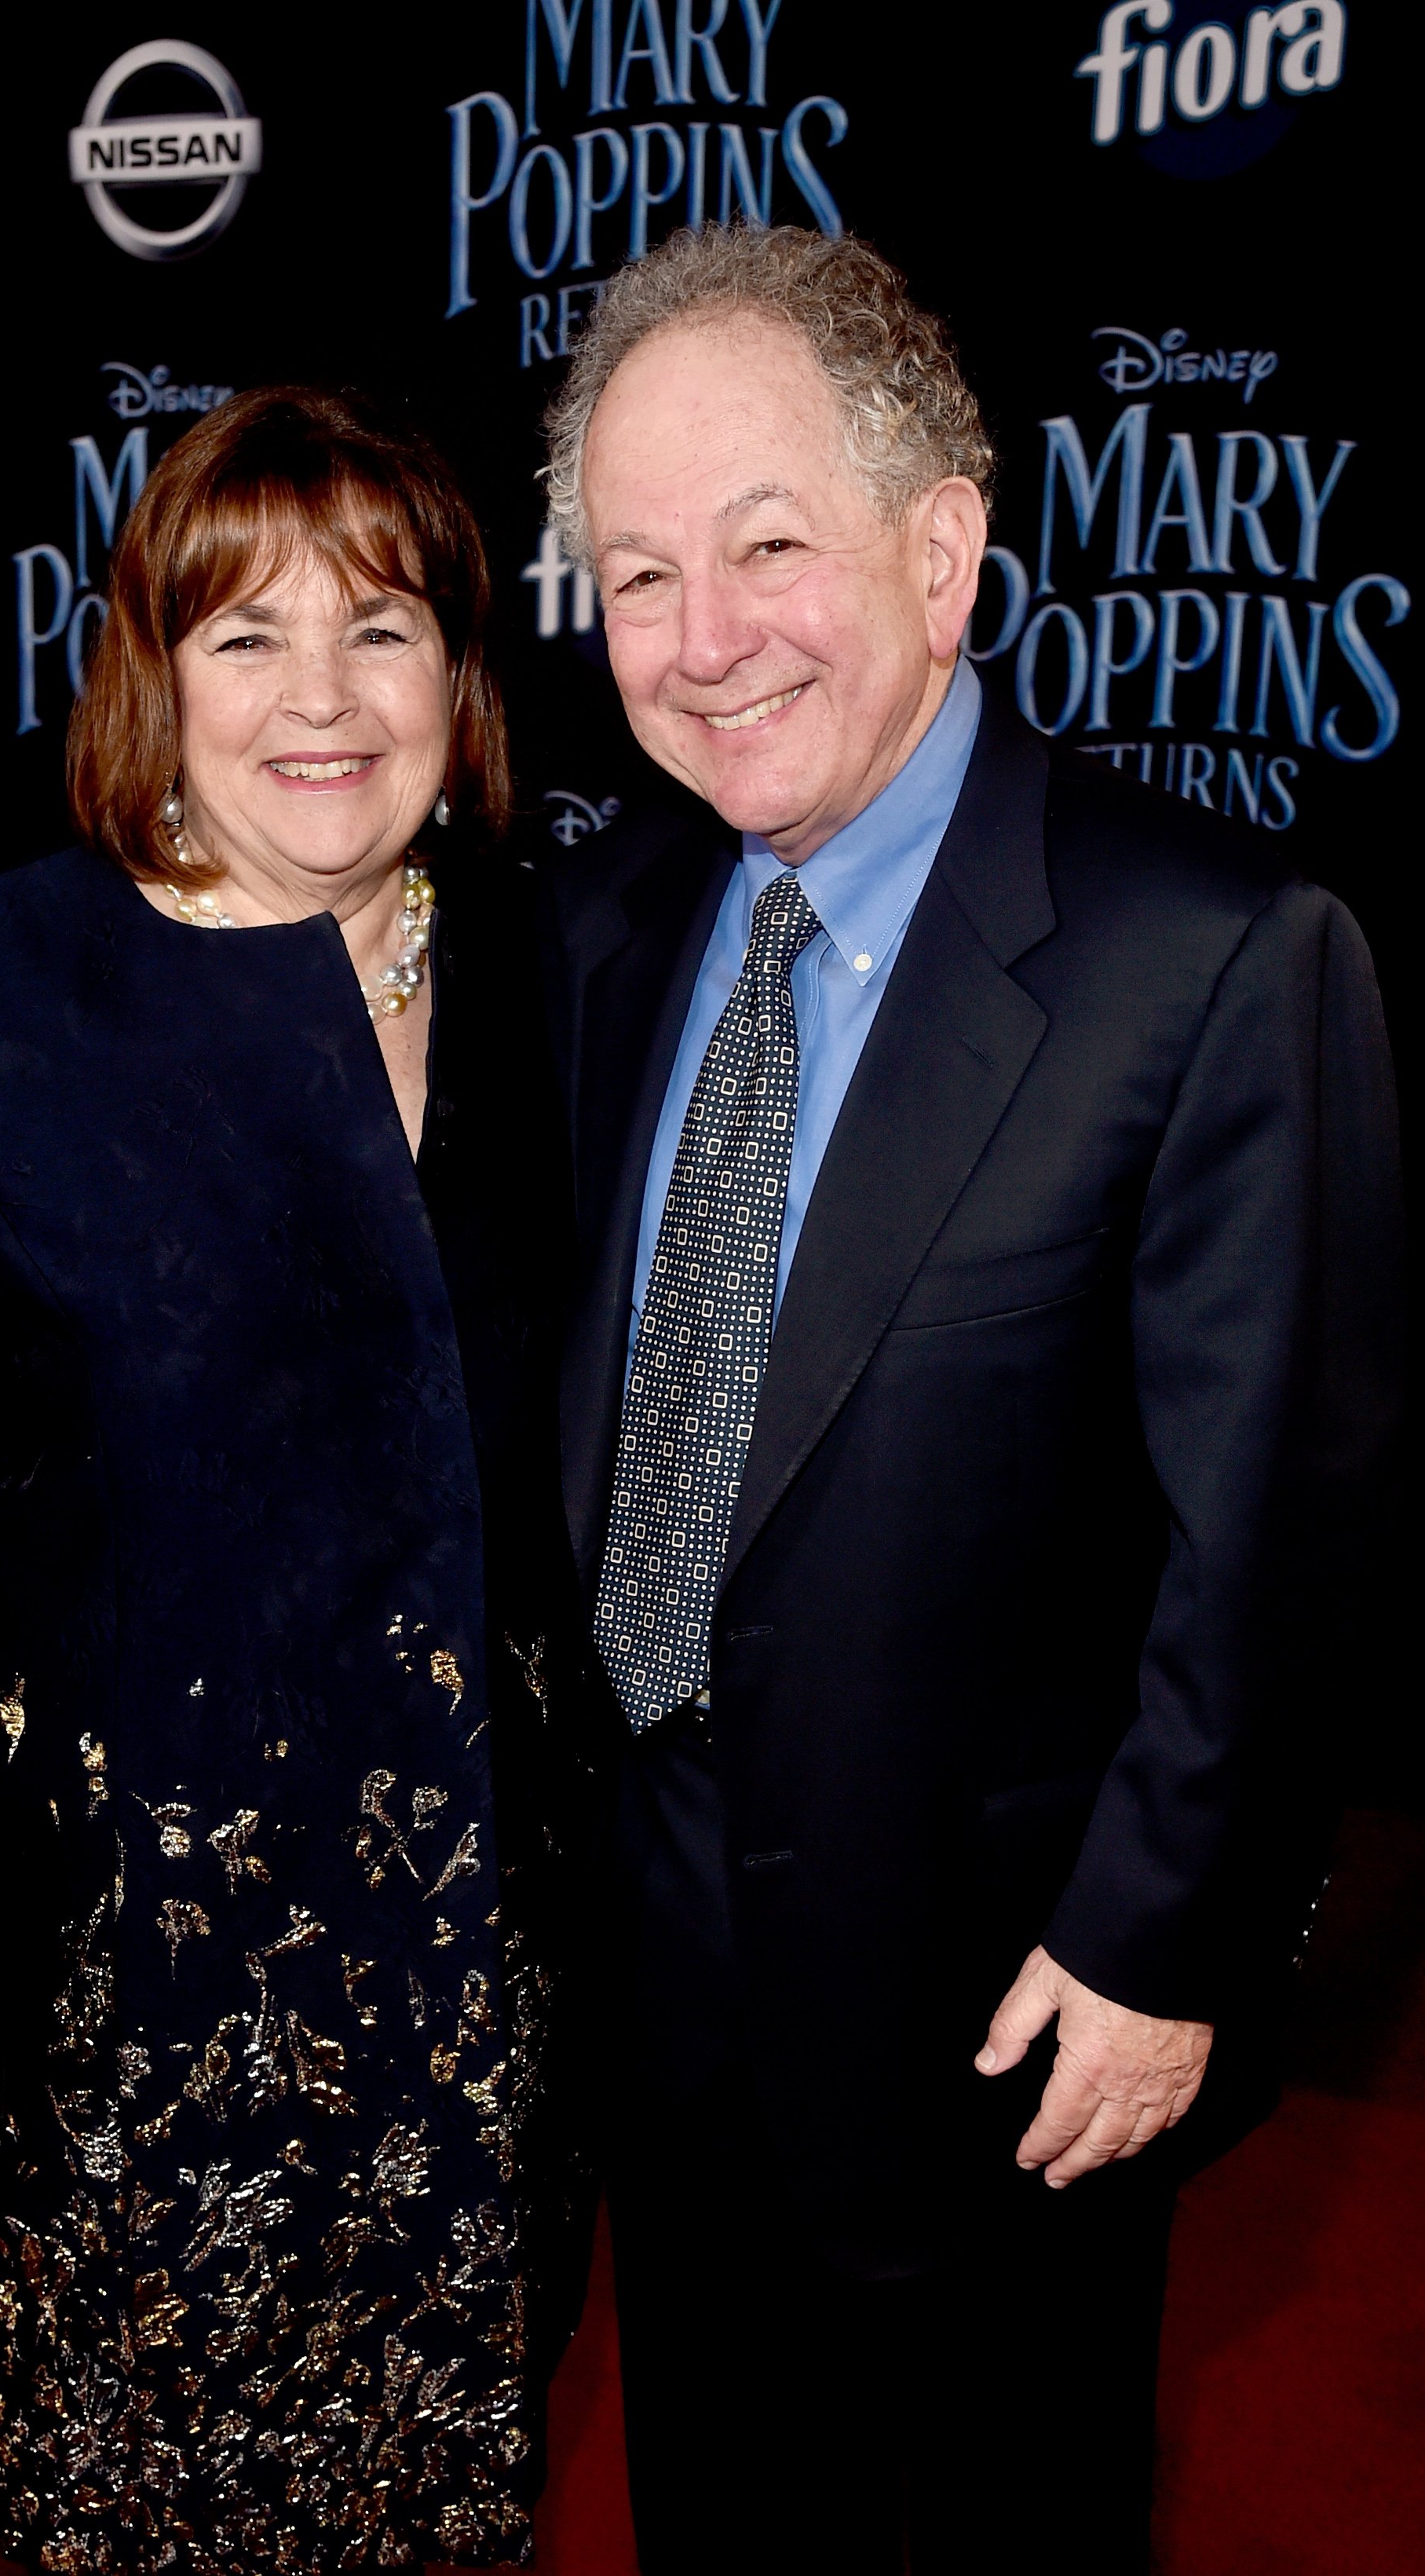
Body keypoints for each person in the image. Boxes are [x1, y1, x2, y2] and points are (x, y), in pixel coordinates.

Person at [536, 225, 1403, 2572]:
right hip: (657, 1974)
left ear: (944, 547)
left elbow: (1286, 1534)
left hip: (1002, 2020)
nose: (698, 640)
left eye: (766, 545)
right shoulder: (614, 922)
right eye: (631, 574)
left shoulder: (1210, 954)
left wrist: (1160, 1942)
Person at [0, 386, 594, 2575]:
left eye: (381, 629)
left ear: (462, 677)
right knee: (114, 2501)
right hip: (97, 1947)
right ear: (148, 671)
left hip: (465, 1951)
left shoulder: (565, 969)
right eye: (245, 632)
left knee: (422, 2487)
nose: (322, 698)